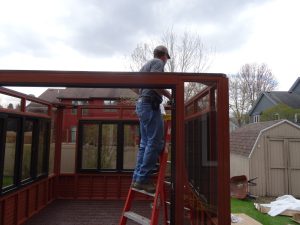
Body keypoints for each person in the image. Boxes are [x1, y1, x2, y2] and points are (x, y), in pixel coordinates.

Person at [132, 45, 171, 193]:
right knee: (154, 142)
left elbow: (135, 87)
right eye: (167, 58)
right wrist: (169, 96)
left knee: (145, 143)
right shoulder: (158, 63)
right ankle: (142, 179)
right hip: (149, 105)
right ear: (164, 55)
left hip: (144, 104)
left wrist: (146, 94)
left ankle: (137, 178)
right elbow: (155, 82)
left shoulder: (145, 66)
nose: (166, 61)